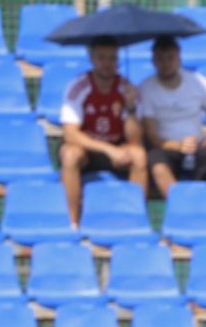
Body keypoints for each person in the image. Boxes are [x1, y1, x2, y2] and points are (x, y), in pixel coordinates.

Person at [136, 36, 206, 204]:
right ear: (153, 61)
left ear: (179, 59)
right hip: (166, 149)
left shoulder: (199, 82)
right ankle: (181, 212)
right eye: (161, 59)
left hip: (198, 147)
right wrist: (178, 145)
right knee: (157, 165)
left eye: (170, 57)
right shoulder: (146, 89)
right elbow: (152, 135)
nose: (166, 63)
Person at [58, 38, 148, 226]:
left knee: (139, 156)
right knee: (70, 154)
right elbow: (70, 134)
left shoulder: (126, 88)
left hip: (117, 148)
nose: (107, 64)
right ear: (92, 59)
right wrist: (107, 149)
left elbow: (135, 140)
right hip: (87, 150)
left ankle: (135, 222)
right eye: (102, 58)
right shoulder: (78, 87)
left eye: (112, 59)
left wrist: (131, 108)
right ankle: (72, 224)